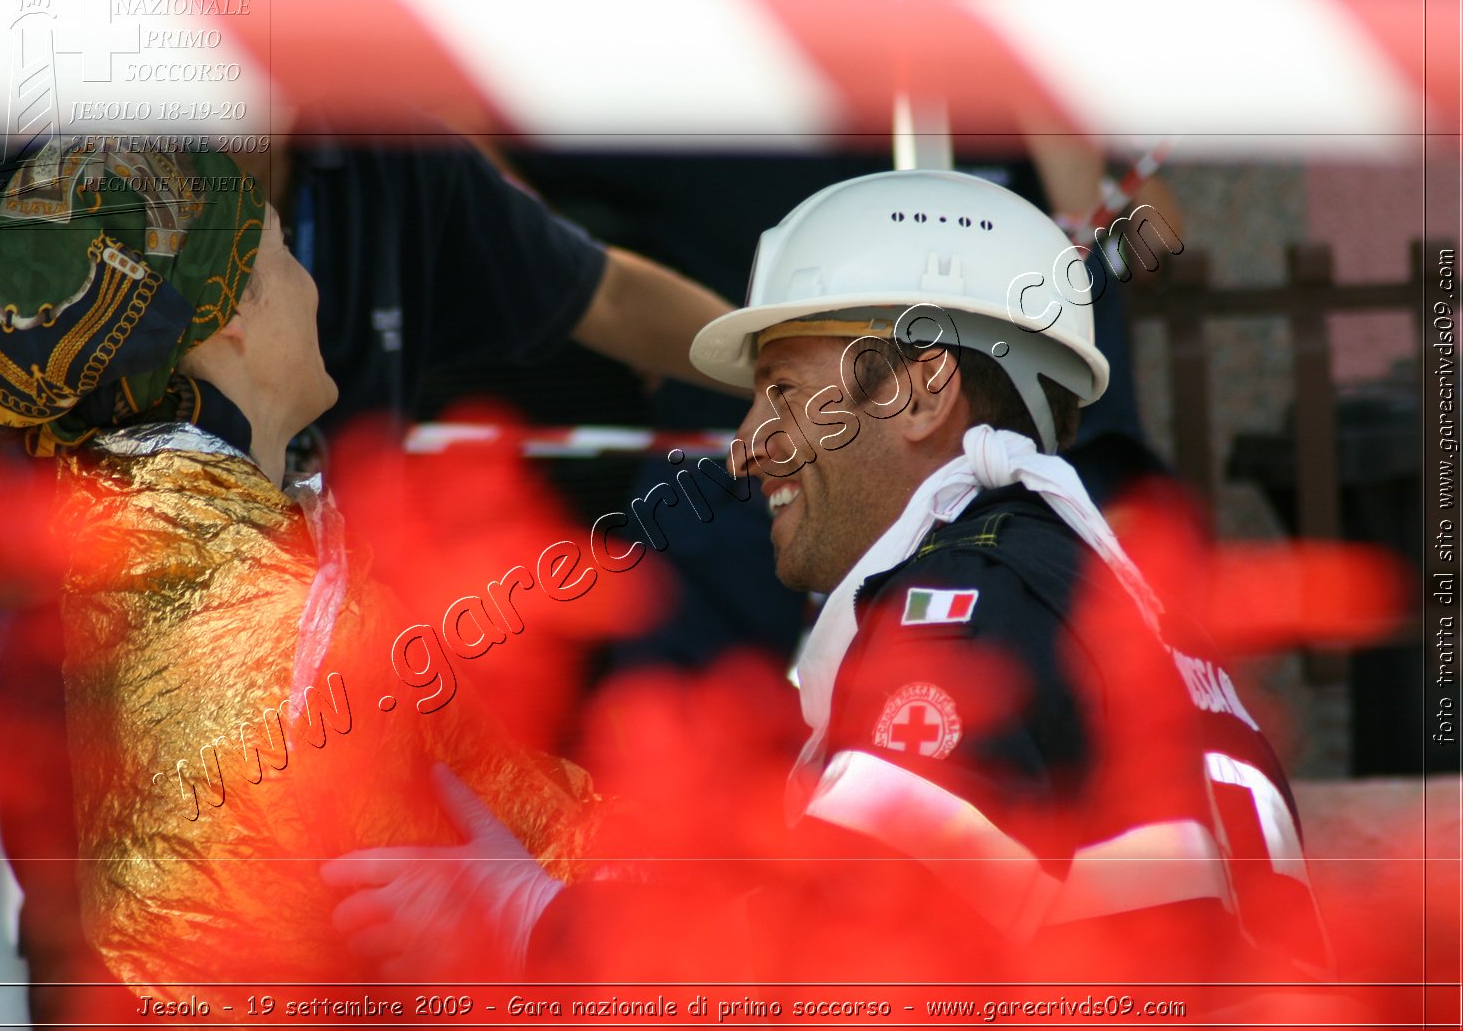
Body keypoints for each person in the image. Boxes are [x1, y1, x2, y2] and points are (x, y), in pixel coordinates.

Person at [322, 170, 1329, 1007]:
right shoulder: (1046, 577)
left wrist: (524, 919)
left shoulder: (968, 608)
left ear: (920, 389)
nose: (749, 449)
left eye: (783, 393)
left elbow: (822, 956)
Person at [0, 137, 611, 1016]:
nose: (313, 284)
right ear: (226, 319)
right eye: (281, 253)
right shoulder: (265, 612)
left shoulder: (138, 551)